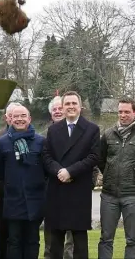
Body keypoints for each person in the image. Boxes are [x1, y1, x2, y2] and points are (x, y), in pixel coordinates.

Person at [42, 91, 101, 259]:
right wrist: (59, 171)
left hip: (78, 189)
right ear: (63, 107)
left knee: (80, 242)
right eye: (67, 104)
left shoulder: (92, 129)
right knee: (55, 242)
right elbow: (46, 156)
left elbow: (94, 157)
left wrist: (70, 171)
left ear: (80, 107)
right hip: (57, 189)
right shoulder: (53, 130)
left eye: (74, 103)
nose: (71, 107)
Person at [97, 97, 135, 259]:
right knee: (105, 239)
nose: (123, 115)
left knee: (132, 239)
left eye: (126, 112)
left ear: (134, 112)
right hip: (109, 195)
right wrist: (109, 175)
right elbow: (101, 160)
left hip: (133, 195)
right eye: (120, 112)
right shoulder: (108, 135)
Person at [0, 105, 47, 259]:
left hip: (35, 200)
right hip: (13, 199)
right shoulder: (2, 142)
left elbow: (45, 169)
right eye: (16, 116)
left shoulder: (41, 141)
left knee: (32, 240)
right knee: (14, 240)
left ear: (29, 119)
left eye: (23, 115)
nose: (19, 119)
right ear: (10, 119)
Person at [42, 95, 75, 259]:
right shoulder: (45, 136)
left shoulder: (80, 133)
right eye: (53, 109)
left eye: (59, 108)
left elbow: (92, 163)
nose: (57, 111)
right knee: (51, 238)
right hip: (51, 193)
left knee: (71, 239)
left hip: (74, 193)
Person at [0, 102, 22, 259]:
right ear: (7, 117)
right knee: (2, 234)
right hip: (2, 196)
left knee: (22, 236)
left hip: (23, 196)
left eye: (20, 115)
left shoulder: (31, 137)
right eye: (12, 115)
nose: (16, 118)